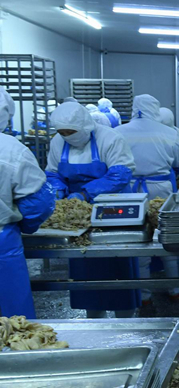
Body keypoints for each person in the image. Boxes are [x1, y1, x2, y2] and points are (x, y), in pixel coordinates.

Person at [46, 102, 138, 317]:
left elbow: (120, 174)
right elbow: (52, 173)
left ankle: (126, 319)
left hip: (111, 207)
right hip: (76, 213)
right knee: (84, 265)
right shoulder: (58, 142)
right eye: (62, 132)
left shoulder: (110, 138)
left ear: (85, 126)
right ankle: (94, 316)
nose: (67, 136)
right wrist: (58, 190)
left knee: (118, 265)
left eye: (71, 132)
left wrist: (86, 193)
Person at [116, 95, 179, 300]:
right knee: (166, 234)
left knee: (137, 236)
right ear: (155, 109)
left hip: (131, 191)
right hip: (161, 188)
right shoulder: (169, 132)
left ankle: (143, 293)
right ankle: (175, 288)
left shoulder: (118, 131)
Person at [0, 88, 55, 318]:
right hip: (2, 240)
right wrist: (25, 226)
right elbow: (37, 204)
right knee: (12, 323)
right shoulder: (10, 149)